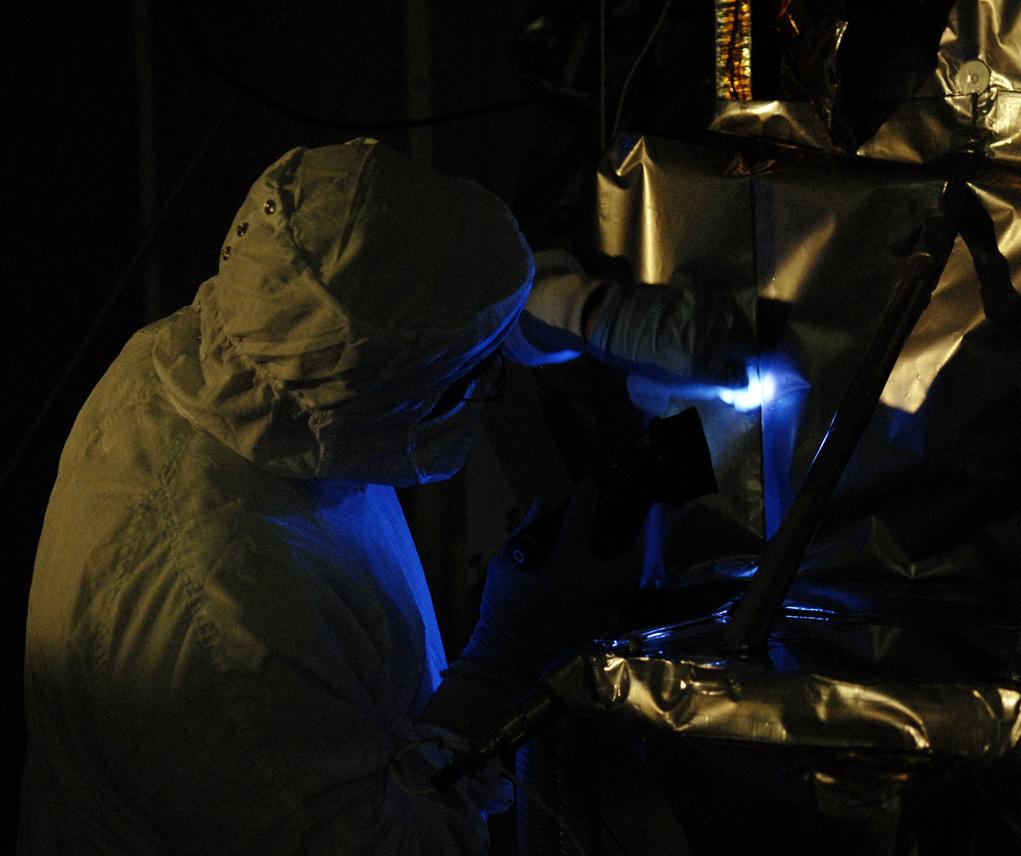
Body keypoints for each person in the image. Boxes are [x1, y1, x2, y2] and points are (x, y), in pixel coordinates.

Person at [20, 138, 644, 855]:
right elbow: (391, 843)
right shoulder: (226, 639)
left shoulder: (214, 364)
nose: (489, 394)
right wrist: (504, 659)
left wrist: (496, 322)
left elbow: (371, 319)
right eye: (475, 379)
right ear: (379, 399)